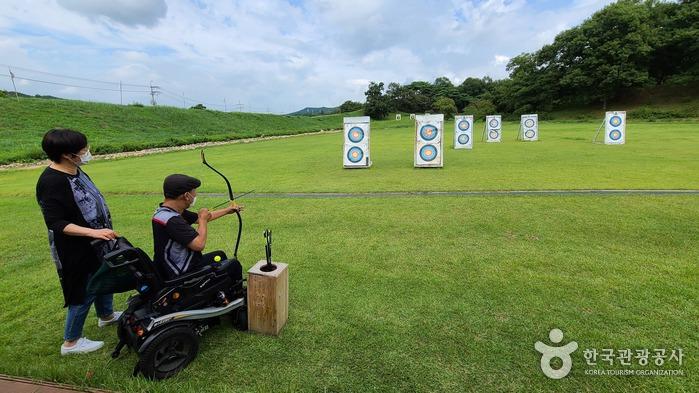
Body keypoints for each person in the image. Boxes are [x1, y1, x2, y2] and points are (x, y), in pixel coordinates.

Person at [35, 128, 122, 356]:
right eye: (82, 149)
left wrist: (100, 232)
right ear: (67, 154)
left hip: (98, 241)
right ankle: (71, 343)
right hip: (76, 248)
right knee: (84, 290)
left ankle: (107, 315)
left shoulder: (76, 170)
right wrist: (92, 233)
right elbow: (56, 222)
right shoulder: (51, 181)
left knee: (105, 276)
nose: (86, 152)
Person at [152, 174, 243, 279]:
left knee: (220, 255)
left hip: (171, 266)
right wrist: (203, 219)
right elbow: (199, 244)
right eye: (193, 192)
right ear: (186, 195)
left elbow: (202, 217)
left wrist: (227, 210)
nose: (195, 196)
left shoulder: (166, 212)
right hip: (179, 272)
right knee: (234, 265)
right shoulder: (172, 220)